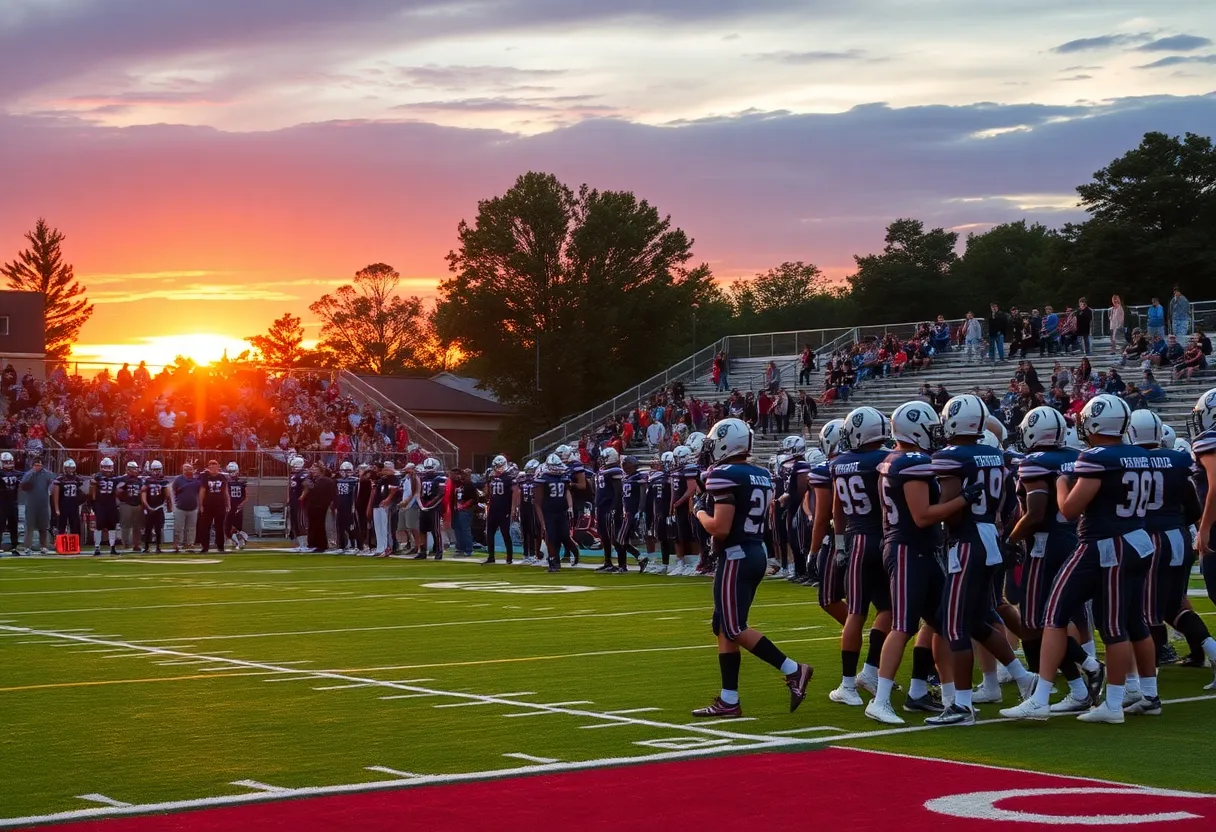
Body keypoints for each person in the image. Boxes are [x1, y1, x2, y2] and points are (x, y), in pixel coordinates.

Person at [1002, 394, 1156, 724]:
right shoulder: (1140, 455)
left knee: (1067, 617)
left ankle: (1069, 699)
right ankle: (1127, 695)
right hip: (1136, 540)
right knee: (1125, 622)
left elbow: (1069, 509)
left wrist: (1061, 484)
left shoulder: (1095, 457)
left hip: (1103, 544)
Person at [690, 417, 813, 718]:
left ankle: (794, 669)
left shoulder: (723, 474)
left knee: (733, 627)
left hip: (736, 555)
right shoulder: (760, 474)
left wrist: (698, 513)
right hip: (753, 550)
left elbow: (719, 527)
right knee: (723, 627)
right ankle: (729, 699)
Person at [929, 394, 1035, 725]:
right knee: (976, 619)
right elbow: (1003, 500)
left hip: (966, 543)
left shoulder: (949, 457)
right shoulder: (993, 454)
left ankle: (961, 706)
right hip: (990, 537)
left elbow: (948, 504)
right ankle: (1022, 676)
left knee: (952, 624)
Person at [825, 408, 894, 707]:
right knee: (889, 609)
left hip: (855, 539)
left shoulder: (839, 463)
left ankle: (849, 684)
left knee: (856, 612)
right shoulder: (886, 459)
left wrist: (840, 545)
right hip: (886, 538)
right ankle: (870, 670)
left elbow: (837, 510)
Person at [537, 454, 574, 572]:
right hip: (549, 512)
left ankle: (559, 559)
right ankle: (552, 561)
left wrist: (570, 506)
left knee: (563, 535)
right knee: (551, 536)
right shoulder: (543, 477)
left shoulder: (564, 477)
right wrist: (542, 520)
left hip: (562, 511)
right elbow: (538, 501)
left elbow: (567, 491)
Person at [483, 455, 514, 564]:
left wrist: (511, 509)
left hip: (504, 509)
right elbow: (489, 493)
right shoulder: (492, 477)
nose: (498, 468)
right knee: (490, 533)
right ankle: (491, 557)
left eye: (500, 466)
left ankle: (509, 557)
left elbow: (512, 494)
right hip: (493, 508)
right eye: (496, 466)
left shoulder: (509, 477)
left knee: (505, 533)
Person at [415, 458, 448, 559]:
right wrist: (422, 504)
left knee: (436, 530)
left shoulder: (440, 478)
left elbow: (441, 493)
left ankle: (439, 551)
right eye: (427, 467)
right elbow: (419, 491)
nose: (428, 469)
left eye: (430, 467)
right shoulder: (422, 478)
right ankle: (423, 551)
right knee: (422, 529)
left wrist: (431, 503)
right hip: (424, 506)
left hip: (434, 507)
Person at [197, 460, 230, 554]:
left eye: (215, 466)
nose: (213, 468)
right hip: (208, 505)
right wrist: (201, 504)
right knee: (205, 527)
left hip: (220, 505)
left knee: (220, 526)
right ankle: (205, 547)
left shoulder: (222, 477)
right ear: (209, 467)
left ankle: (220, 546)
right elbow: (202, 491)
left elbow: (225, 491)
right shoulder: (205, 477)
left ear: (218, 467)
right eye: (211, 466)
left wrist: (228, 503)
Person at [90, 457, 121, 556]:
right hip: (100, 504)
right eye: (106, 467)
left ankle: (112, 547)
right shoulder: (98, 477)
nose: (107, 469)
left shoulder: (114, 478)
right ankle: (97, 547)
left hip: (111, 504)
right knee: (99, 526)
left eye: (109, 467)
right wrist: (93, 503)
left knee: (112, 526)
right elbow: (93, 485)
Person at [370, 461, 399, 557]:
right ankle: (380, 547)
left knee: (386, 527)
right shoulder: (382, 479)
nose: (384, 471)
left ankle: (387, 547)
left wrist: (387, 500)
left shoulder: (393, 479)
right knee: (378, 527)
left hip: (385, 505)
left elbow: (393, 490)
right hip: (377, 504)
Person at [52, 459, 85, 541]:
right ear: (64, 468)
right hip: (63, 505)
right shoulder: (60, 479)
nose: (70, 470)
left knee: (75, 526)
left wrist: (81, 504)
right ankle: (60, 544)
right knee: (61, 526)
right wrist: (56, 508)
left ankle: (75, 544)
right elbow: (55, 495)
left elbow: (83, 492)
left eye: (71, 468)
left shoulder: (78, 479)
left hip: (74, 505)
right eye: (68, 468)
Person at [305, 463, 336, 553]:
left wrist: (331, 504)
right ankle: (312, 543)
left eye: (315, 469)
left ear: (321, 470)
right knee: (312, 525)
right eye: (312, 469)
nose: (313, 470)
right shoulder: (312, 481)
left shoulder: (327, 481)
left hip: (322, 506)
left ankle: (322, 544)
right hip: (312, 505)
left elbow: (332, 494)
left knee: (320, 526)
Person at [141, 461, 169, 554]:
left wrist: (168, 505)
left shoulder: (163, 481)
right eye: (155, 470)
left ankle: (158, 547)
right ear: (151, 470)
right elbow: (143, 493)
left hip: (159, 507)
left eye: (158, 470)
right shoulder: (147, 480)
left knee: (158, 528)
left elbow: (167, 495)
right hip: (149, 506)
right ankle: (146, 546)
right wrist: (147, 506)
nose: (156, 472)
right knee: (148, 528)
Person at [116, 461, 144, 551]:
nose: (134, 471)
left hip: (137, 504)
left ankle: (136, 544)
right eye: (132, 469)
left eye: (135, 469)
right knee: (125, 525)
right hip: (126, 504)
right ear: (127, 469)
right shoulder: (122, 479)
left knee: (137, 526)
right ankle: (126, 543)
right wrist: (122, 497)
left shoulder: (140, 480)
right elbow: (118, 491)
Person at [450, 469, 478, 558]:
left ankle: (468, 549)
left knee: (465, 529)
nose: (461, 477)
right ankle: (460, 548)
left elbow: (474, 498)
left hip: (465, 510)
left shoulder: (470, 485)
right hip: (456, 509)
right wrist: (455, 505)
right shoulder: (457, 484)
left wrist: (464, 506)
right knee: (457, 528)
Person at [226, 462, 249, 550]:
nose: (231, 473)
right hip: (229, 506)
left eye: (233, 471)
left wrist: (241, 504)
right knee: (228, 527)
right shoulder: (227, 482)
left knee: (238, 527)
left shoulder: (242, 482)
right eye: (230, 471)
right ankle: (241, 539)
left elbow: (246, 496)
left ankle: (240, 541)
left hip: (238, 506)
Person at [0, 452, 20, 554]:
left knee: (14, 525)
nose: (8, 464)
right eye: (6, 462)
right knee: (0, 525)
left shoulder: (17, 473)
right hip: (2, 503)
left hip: (13, 502)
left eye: (10, 462)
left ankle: (14, 546)